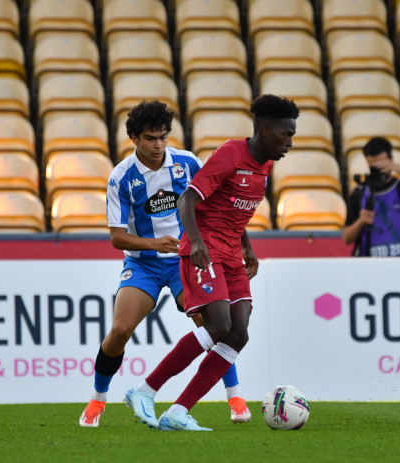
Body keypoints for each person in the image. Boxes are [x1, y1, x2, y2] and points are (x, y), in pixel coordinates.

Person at [124, 94, 300, 431]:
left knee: (239, 334)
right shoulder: (230, 154)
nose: (289, 142)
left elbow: (236, 209)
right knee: (219, 328)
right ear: (265, 131)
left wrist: (247, 247)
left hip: (233, 253)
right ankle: (146, 389)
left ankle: (176, 411)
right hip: (204, 250)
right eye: (285, 134)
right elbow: (187, 200)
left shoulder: (266, 163)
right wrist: (198, 242)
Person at [78, 99, 251, 427]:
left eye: (163, 137)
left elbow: (219, 206)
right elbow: (116, 237)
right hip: (143, 264)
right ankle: (98, 399)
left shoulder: (187, 163)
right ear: (134, 138)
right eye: (150, 138)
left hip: (185, 259)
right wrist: (153, 243)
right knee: (119, 330)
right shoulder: (121, 178)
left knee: (213, 322)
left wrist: (240, 243)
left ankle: (235, 396)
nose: (158, 145)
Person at [342, 136, 400, 256]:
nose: (379, 169)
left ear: (391, 159)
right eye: (373, 166)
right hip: (372, 264)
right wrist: (361, 221)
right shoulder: (360, 193)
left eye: (382, 164)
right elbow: (347, 238)